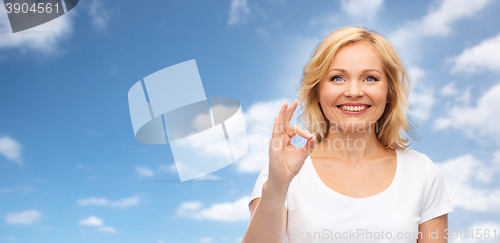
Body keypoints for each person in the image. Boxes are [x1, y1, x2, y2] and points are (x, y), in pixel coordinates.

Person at [241, 26, 453, 243]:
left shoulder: (422, 172)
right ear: (317, 92)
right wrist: (277, 187)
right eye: (337, 78)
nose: (353, 92)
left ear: (389, 92)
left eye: (370, 78)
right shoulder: (282, 171)